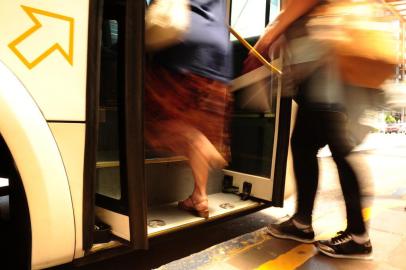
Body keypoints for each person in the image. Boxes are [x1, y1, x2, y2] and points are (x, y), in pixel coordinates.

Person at [244, 0, 383, 259]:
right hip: (318, 65)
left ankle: (357, 234)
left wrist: (266, 38)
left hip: (323, 67)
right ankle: (302, 222)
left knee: (340, 148)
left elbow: (298, 5)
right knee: (305, 144)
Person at [145, 0, 232, 219]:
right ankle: (199, 196)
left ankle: (203, 145)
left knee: (152, 122)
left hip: (183, 44)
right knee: (197, 123)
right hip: (218, 52)